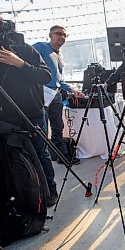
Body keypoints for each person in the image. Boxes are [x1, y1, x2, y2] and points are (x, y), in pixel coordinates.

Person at [0, 9, 59, 207]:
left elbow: (45, 76)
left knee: (39, 153)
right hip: (1, 120)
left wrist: (19, 63)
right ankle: (21, 194)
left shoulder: (24, 48)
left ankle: (49, 191)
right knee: (9, 159)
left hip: (31, 115)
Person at [33, 25, 84, 165]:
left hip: (55, 95)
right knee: (42, 127)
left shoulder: (59, 56)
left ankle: (62, 156)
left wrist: (72, 90)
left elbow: (60, 80)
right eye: (58, 34)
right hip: (41, 93)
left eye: (64, 35)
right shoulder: (40, 47)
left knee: (58, 126)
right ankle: (42, 160)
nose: (62, 37)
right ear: (50, 35)